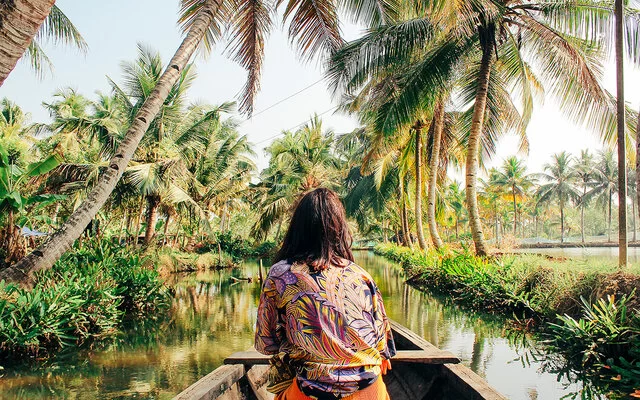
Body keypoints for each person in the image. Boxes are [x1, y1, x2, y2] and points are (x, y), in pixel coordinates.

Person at [255, 188, 396, 400]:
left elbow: (267, 344)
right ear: (339, 229)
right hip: (370, 392)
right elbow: (384, 347)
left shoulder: (280, 275)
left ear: (297, 228)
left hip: (311, 393)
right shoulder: (361, 275)